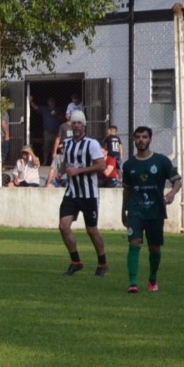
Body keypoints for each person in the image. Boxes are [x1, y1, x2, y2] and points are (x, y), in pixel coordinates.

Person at [119, 126, 182, 294]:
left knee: (154, 247)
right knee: (134, 242)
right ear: (133, 139)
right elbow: (127, 190)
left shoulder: (161, 161)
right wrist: (123, 211)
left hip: (155, 211)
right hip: (136, 210)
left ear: (150, 139)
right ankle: (132, 283)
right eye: (138, 137)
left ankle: (153, 278)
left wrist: (172, 193)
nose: (141, 140)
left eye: (144, 137)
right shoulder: (129, 165)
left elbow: (177, 181)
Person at [47, 110, 109, 276]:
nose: (76, 125)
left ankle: (102, 262)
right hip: (72, 193)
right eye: (74, 123)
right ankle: (76, 261)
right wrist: (61, 172)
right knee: (63, 226)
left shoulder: (92, 144)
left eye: (79, 123)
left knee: (91, 230)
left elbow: (101, 166)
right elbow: (66, 161)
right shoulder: (67, 143)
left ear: (84, 125)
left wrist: (79, 171)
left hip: (89, 194)